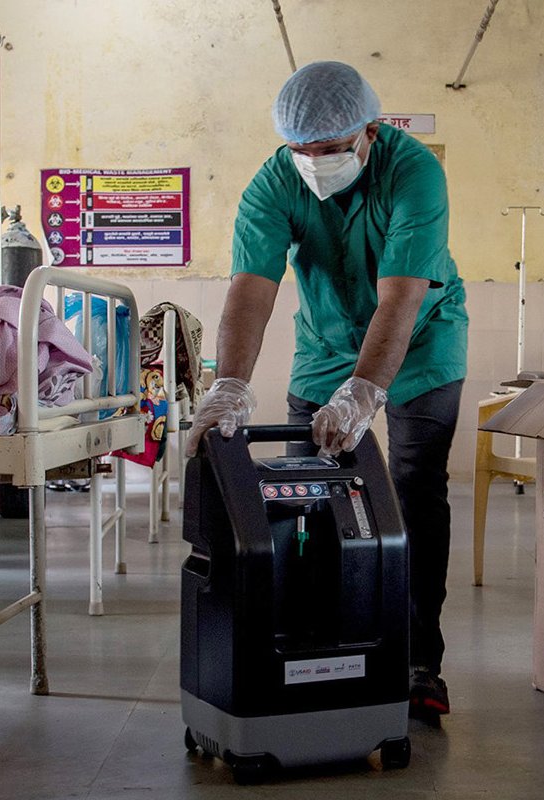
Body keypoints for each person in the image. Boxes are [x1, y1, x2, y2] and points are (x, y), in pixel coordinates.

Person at [185, 61, 468, 720]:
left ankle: (417, 658)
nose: (314, 164)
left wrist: (364, 391)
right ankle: (307, 641)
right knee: (304, 495)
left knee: (413, 486)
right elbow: (250, 288)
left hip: (422, 342)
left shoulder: (414, 173)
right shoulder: (273, 182)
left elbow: (400, 297)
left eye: (331, 150)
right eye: (301, 151)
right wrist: (229, 383)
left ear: (370, 130)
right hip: (325, 346)